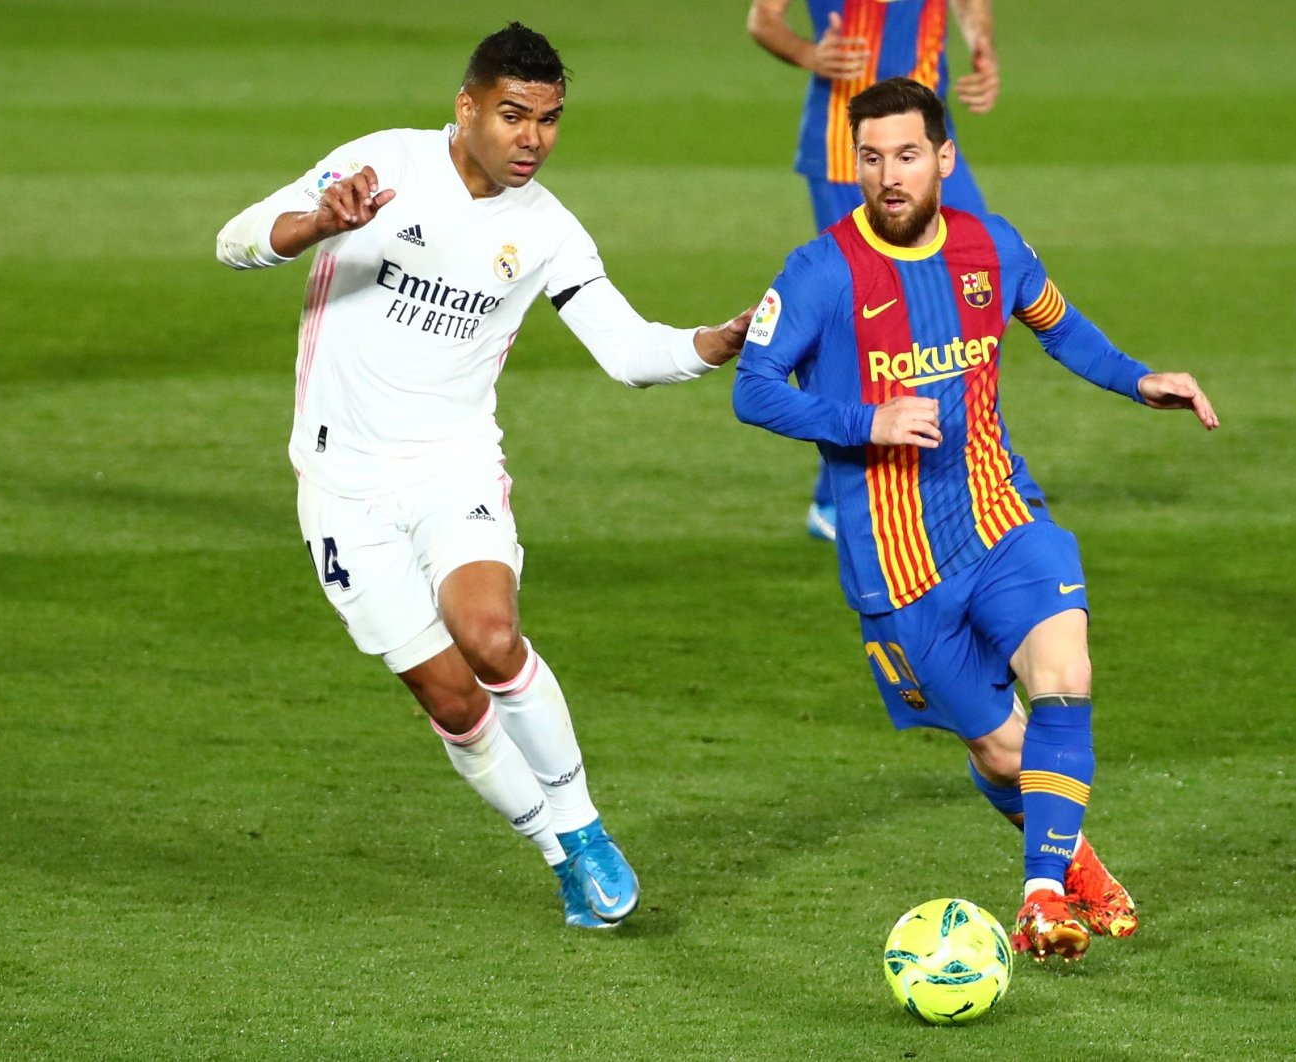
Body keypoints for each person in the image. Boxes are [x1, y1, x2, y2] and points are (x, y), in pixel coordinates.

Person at [215, 23, 750, 930]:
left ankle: (584, 832)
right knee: (451, 697)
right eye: (513, 115)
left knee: (491, 635)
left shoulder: (548, 233)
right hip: (342, 486)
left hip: (452, 465)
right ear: (466, 108)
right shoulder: (380, 167)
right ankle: (554, 849)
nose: (533, 139)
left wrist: (714, 343)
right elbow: (234, 242)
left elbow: (626, 351)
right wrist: (317, 222)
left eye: (548, 120)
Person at [732, 78, 1219, 960]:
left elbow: (1059, 327)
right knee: (1003, 754)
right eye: (871, 157)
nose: (889, 176)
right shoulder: (819, 272)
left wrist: (1139, 378)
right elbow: (753, 388)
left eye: (908, 155)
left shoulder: (992, 249)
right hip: (896, 566)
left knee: (1066, 668)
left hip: (1000, 514)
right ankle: (1072, 862)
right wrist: (865, 420)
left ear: (945, 159)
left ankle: (1038, 896)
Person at [746, 0, 1000, 542]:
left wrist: (982, 47)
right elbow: (763, 18)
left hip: (929, 147)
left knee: (976, 288)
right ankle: (837, 497)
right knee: (868, 325)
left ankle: (952, 472)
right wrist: (810, 53)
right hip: (849, 157)